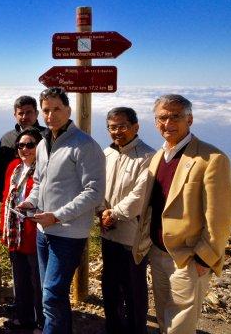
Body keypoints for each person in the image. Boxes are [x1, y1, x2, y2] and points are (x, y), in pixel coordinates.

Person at [133, 94, 231, 334]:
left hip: (188, 257)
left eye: (175, 116)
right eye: (162, 118)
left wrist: (203, 259)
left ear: (190, 119)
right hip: (158, 252)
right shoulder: (159, 156)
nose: (168, 123)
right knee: (163, 320)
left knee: (180, 326)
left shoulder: (212, 158)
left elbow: (219, 217)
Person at [18, 87, 105, 334]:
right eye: (46, 110)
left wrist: (57, 215)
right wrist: (30, 202)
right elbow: (39, 182)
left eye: (56, 109)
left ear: (68, 109)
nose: (51, 115)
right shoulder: (45, 143)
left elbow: (94, 192)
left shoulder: (84, 145)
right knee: (53, 295)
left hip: (68, 234)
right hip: (43, 231)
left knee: (52, 295)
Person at [98, 107, 154, 334]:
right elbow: (97, 186)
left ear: (136, 127)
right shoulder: (107, 154)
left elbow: (140, 196)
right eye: (112, 127)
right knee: (109, 285)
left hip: (133, 235)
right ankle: (113, 326)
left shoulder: (148, 156)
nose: (117, 131)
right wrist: (102, 211)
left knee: (133, 287)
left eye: (122, 126)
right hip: (107, 231)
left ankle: (136, 329)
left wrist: (113, 214)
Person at [0, 127, 44, 331]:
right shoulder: (13, 167)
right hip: (14, 233)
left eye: (29, 145)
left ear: (39, 146)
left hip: (34, 233)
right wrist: (3, 228)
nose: (24, 149)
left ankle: (42, 321)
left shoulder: (43, 168)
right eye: (20, 145)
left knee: (38, 280)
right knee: (20, 278)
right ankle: (24, 318)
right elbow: (6, 200)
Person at [0, 96, 45, 200]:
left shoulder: (47, 136)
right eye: (21, 113)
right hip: (12, 199)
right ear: (15, 115)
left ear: (36, 113)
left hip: (42, 199)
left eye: (29, 112)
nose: (24, 116)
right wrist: (4, 198)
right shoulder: (7, 139)